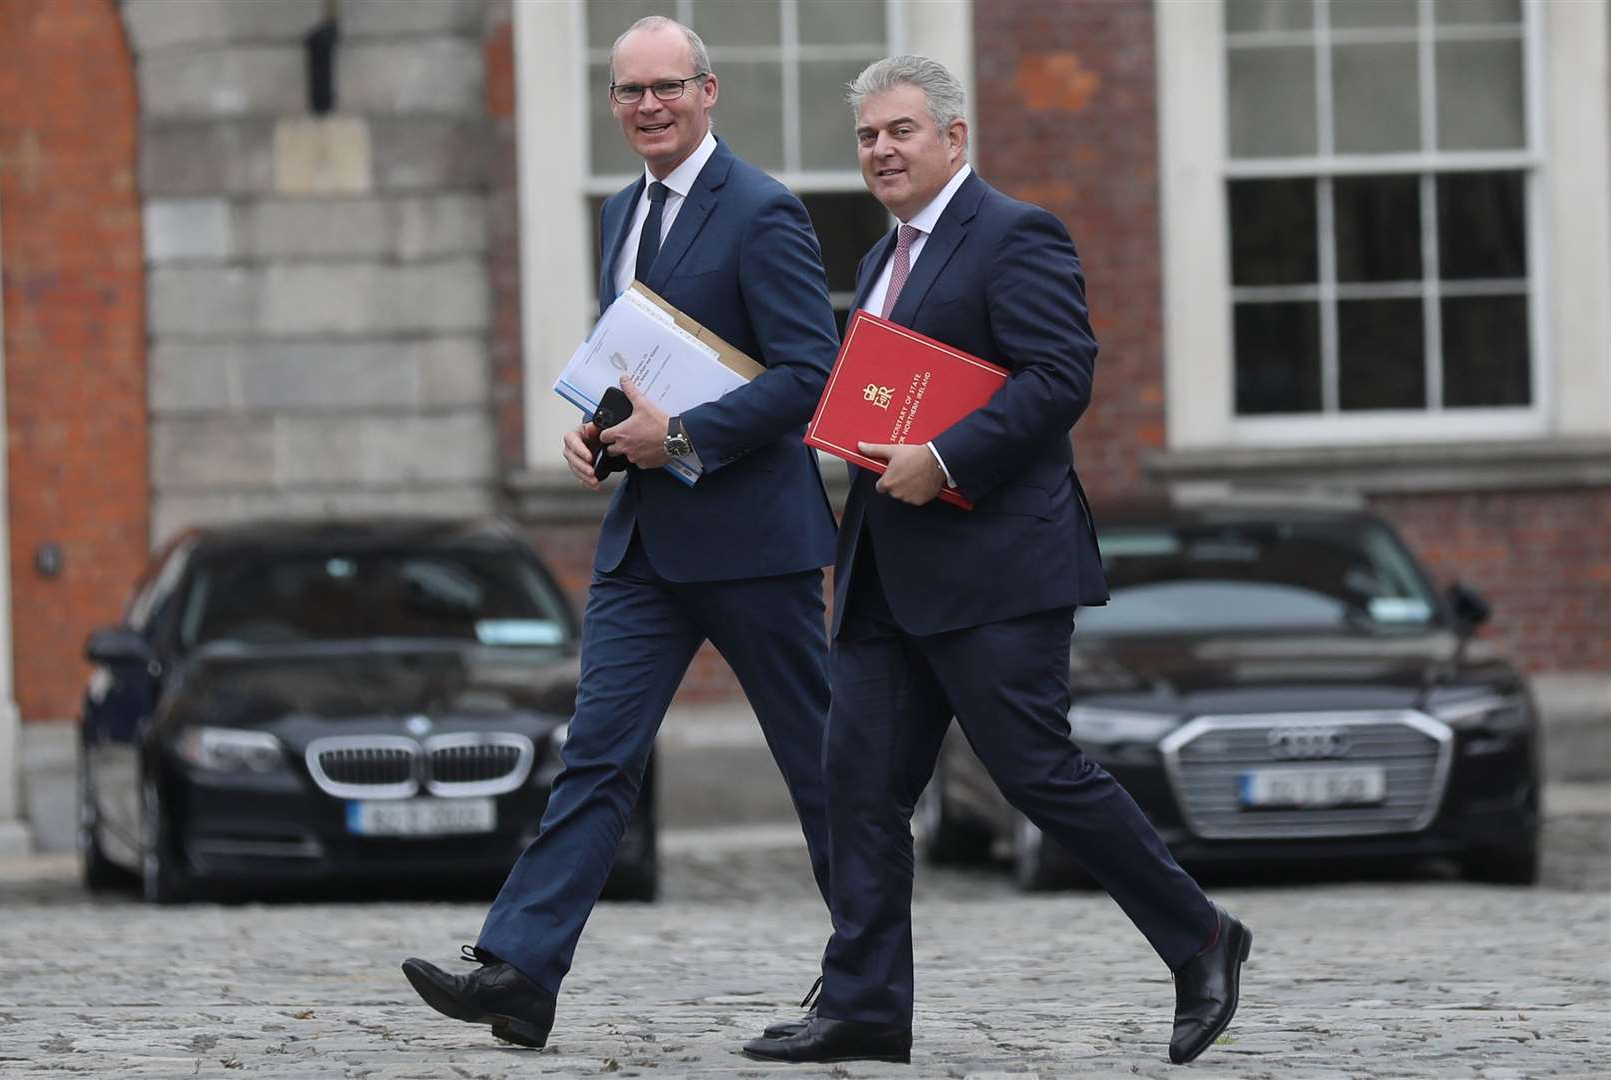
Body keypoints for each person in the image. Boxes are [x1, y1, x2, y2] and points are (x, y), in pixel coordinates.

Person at [743, 56, 1250, 1067]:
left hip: (998, 567)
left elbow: (1063, 375)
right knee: (860, 788)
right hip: (887, 567)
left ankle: (1200, 937)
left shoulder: (1016, 233)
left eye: (901, 131)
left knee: (1036, 771)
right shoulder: (884, 257)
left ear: (954, 138)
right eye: (868, 137)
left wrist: (946, 457)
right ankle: (867, 1005)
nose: (882, 151)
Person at [401, 16, 841, 1049]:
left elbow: (809, 378)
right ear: (613, 103)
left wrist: (680, 433)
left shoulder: (764, 210)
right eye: (629, 91)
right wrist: (603, 437)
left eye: (667, 88)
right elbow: (643, 369)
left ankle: (869, 980)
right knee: (594, 755)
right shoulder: (619, 214)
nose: (648, 106)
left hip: (757, 545)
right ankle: (519, 970)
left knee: (822, 769)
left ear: (709, 91)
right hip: (647, 542)